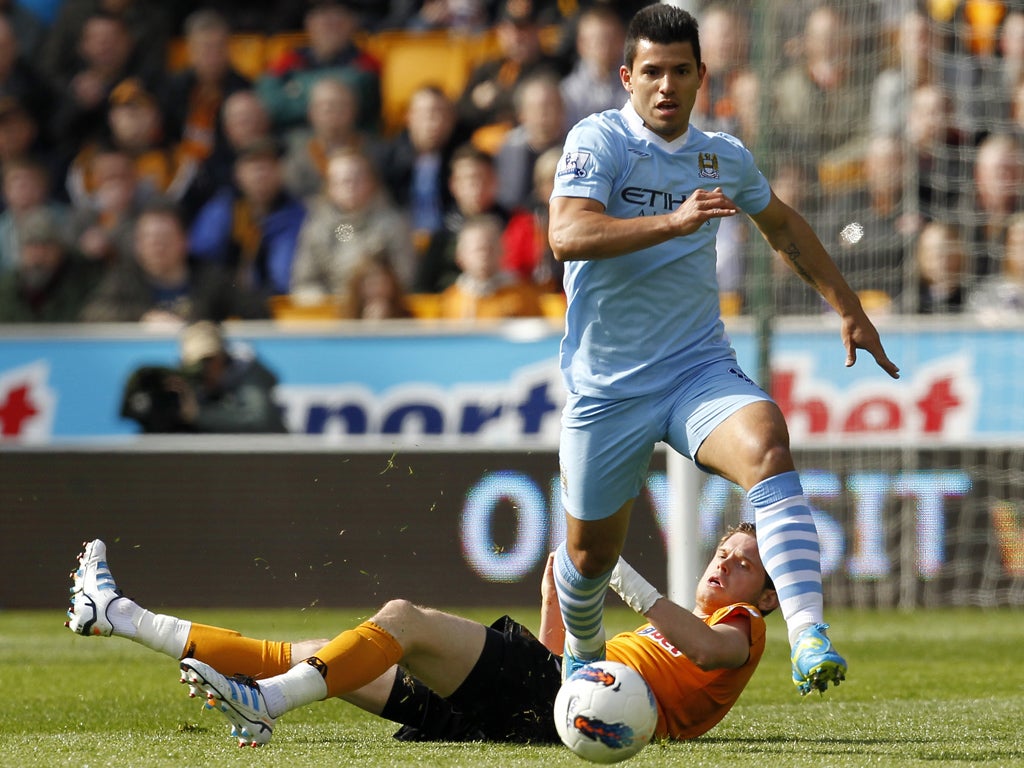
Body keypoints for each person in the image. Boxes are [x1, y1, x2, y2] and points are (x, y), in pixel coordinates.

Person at [546, 4, 899, 694]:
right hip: (609, 387)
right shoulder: (600, 140)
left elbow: (783, 226)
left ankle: (807, 634)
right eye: (652, 72)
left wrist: (848, 307)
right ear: (627, 76)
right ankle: (582, 659)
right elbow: (567, 233)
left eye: (681, 71)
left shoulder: (722, 155)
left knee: (767, 441)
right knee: (589, 559)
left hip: (695, 371)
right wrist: (672, 220)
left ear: (702, 75)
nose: (667, 86)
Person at [66, 521, 778, 747]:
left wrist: (621, 577)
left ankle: (266, 705)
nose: (725, 559)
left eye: (745, 562)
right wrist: (553, 604)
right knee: (314, 654)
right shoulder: (664, 643)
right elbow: (557, 671)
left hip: (556, 701)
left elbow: (712, 649)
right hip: (552, 701)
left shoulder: (738, 630)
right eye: (725, 546)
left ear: (769, 596)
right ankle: (121, 616)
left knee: (401, 618)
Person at [80, 197, 268, 323]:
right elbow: (91, 313)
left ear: (185, 242)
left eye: (164, 238)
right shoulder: (124, 278)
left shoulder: (212, 278)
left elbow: (259, 312)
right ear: (137, 245)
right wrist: (145, 317)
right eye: (148, 238)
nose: (156, 245)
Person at [119, 320, 288, 433]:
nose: (203, 368)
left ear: (222, 356)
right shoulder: (183, 385)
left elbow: (261, 420)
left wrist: (198, 415)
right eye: (195, 362)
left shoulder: (247, 372)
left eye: (209, 360)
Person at [188, 136, 306, 298]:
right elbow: (199, 260)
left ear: (281, 172)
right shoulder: (221, 209)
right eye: (254, 167)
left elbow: (285, 275)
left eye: (268, 166)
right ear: (238, 173)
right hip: (224, 302)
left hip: (278, 305)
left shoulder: (297, 214)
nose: (261, 174)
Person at [0, 206, 104, 322]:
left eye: (45, 246)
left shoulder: (82, 280)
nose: (38, 255)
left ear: (59, 250)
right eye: (32, 246)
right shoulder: (6, 289)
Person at [438, 213, 543, 319]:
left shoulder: (522, 297)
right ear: (460, 256)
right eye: (478, 250)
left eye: (490, 249)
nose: (484, 255)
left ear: (503, 251)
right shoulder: (451, 300)